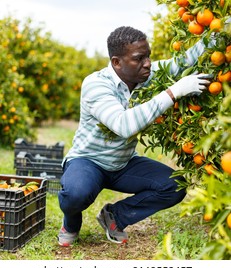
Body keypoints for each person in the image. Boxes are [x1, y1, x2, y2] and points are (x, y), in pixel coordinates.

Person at [57, 26, 212, 246]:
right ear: (116, 62)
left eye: (148, 56)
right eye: (139, 58)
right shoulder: (96, 85)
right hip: (88, 161)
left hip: (123, 163)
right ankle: (70, 224)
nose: (147, 63)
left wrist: (217, 33)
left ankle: (115, 216)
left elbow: (183, 62)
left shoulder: (145, 75)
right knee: (76, 193)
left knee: (174, 185)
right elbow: (123, 125)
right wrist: (173, 92)